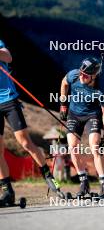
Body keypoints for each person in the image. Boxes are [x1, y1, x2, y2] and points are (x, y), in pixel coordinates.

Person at [0, 39, 63, 206]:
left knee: (25, 142)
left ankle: (48, 176)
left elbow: (8, 57)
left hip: (8, 99)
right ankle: (7, 191)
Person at [60, 57, 104, 198]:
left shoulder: (100, 92)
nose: (81, 76)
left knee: (95, 145)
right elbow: (64, 82)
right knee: (73, 146)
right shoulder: (74, 75)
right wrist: (63, 104)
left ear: (94, 76)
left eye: (86, 75)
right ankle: (84, 182)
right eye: (81, 72)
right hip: (74, 115)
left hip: (91, 116)